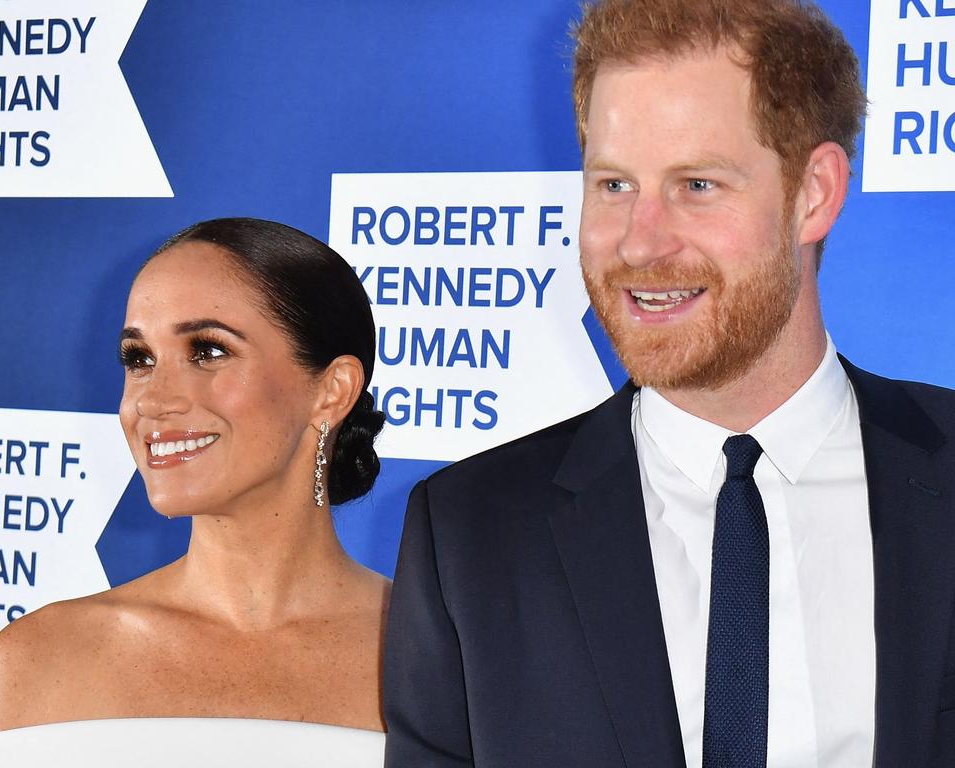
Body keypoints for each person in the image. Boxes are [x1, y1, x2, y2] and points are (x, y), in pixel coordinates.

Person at [383, 1, 955, 767]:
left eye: (697, 184)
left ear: (813, 193)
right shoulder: (469, 536)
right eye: (614, 185)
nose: (639, 242)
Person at [0, 218, 390, 766]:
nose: (152, 400)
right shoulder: (37, 661)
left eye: (208, 352)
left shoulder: (447, 658)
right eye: (139, 359)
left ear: (332, 392)